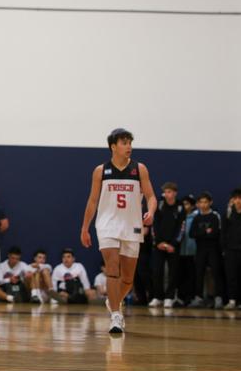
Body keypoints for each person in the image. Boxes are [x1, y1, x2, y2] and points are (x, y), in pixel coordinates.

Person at [79, 128, 157, 334]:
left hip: (131, 225)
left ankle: (113, 301)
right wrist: (85, 228)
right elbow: (92, 201)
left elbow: (151, 196)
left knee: (128, 278)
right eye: (124, 143)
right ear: (113, 146)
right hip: (107, 225)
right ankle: (115, 315)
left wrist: (150, 211)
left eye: (130, 142)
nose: (129, 146)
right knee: (112, 268)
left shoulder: (139, 169)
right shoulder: (100, 171)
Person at [149, 182, 185, 308]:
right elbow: (154, 224)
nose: (167, 194)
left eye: (169, 192)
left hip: (173, 246)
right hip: (159, 245)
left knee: (173, 272)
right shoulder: (159, 205)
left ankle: (169, 297)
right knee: (157, 271)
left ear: (175, 193)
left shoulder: (180, 207)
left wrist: (173, 244)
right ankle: (158, 297)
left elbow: (182, 227)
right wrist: (158, 242)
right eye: (165, 192)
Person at [188, 192, 225, 308]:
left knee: (216, 273)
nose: (203, 205)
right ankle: (198, 297)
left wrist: (201, 233)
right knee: (199, 273)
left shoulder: (214, 217)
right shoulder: (197, 218)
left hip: (213, 250)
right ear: (198, 204)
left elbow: (215, 233)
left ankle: (218, 297)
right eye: (201, 202)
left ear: (210, 203)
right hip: (200, 250)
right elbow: (191, 234)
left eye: (205, 202)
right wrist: (205, 232)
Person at [177, 194, 198, 306]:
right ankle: (180, 297)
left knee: (191, 275)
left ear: (192, 205)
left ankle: (191, 297)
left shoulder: (196, 217)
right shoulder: (179, 216)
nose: (185, 206)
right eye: (183, 204)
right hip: (180, 251)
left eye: (187, 204)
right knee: (180, 275)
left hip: (192, 251)